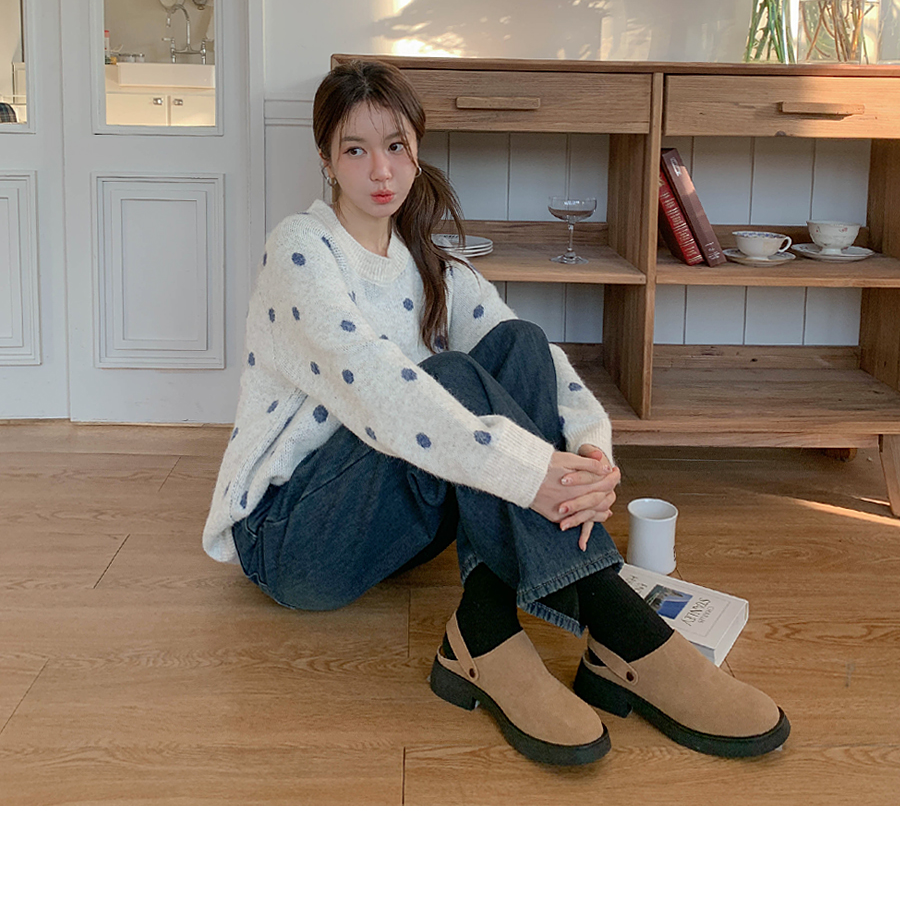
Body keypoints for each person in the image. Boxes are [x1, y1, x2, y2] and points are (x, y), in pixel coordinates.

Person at [203, 59, 790, 767]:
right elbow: (382, 391)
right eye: (355, 150)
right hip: (294, 542)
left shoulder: (432, 266)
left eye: (395, 146)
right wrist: (533, 472)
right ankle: (620, 628)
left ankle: (482, 630)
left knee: (519, 344)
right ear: (326, 160)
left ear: (417, 150)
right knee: (449, 378)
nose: (380, 170)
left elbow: (542, 366)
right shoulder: (301, 249)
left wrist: (590, 455)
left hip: (387, 527)